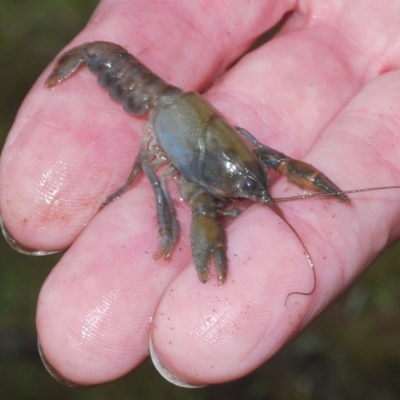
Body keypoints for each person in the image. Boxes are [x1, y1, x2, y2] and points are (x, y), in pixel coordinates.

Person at [1, 0, 400, 388]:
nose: (258, 186)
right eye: (252, 185)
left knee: (251, 172)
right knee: (178, 193)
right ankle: (88, 58)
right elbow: (182, 186)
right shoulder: (178, 160)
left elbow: (264, 158)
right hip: (148, 92)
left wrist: (251, 180)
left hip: (184, 112)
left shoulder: (248, 157)